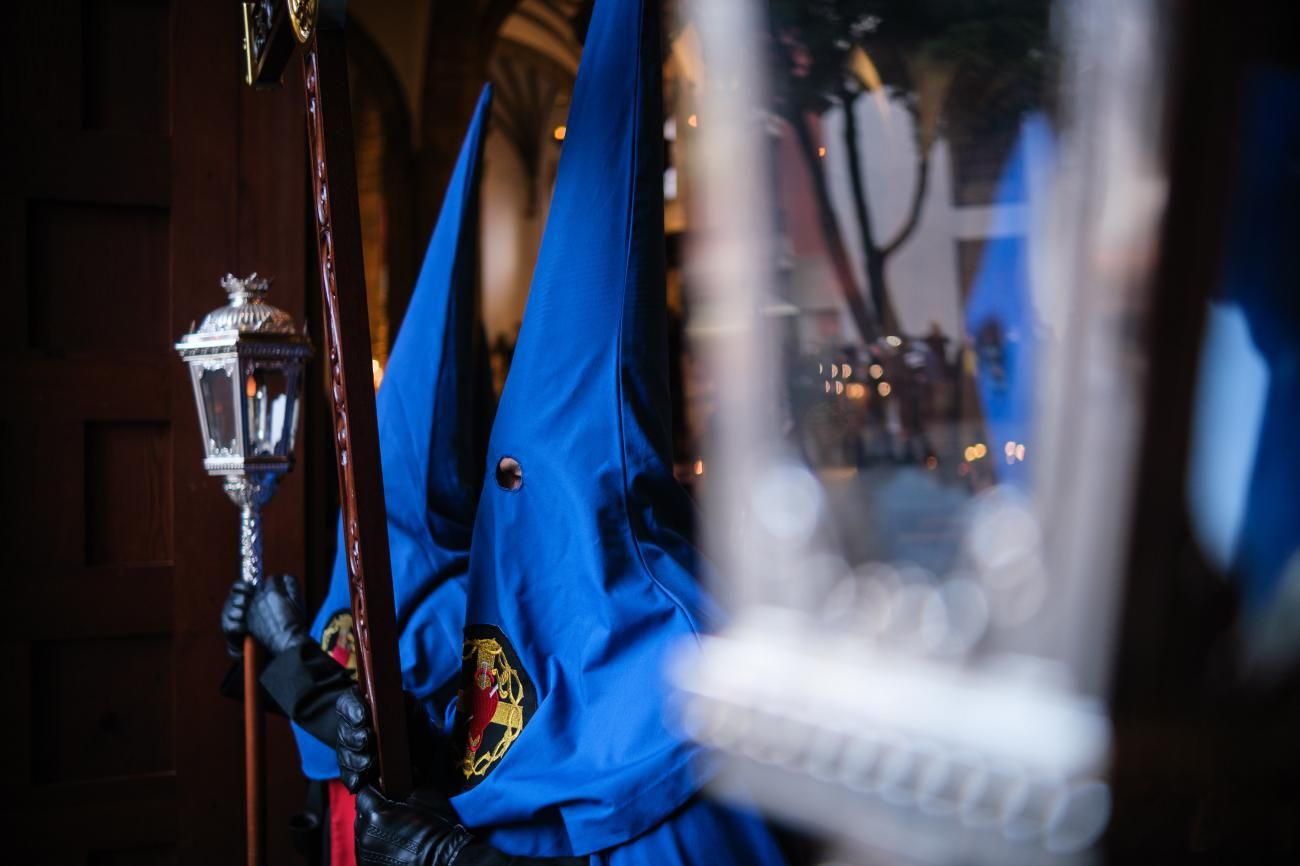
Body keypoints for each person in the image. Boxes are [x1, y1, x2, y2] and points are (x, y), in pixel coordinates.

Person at [334, 0, 788, 863]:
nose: (517, 500)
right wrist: (418, 769)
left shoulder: (689, 674)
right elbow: (513, 774)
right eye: (507, 475)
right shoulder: (531, 610)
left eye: (526, 475)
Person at [221, 84, 497, 866]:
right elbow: (327, 698)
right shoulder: (360, 556)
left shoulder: (457, 604)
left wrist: (288, 653)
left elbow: (389, 743)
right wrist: (260, 644)